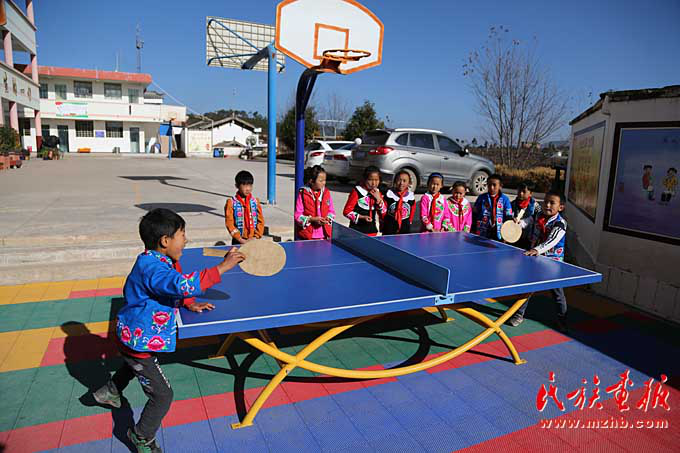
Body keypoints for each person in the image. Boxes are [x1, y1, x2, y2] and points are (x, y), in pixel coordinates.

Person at [93, 208, 245, 453]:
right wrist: (222, 267)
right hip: (138, 341)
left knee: (135, 363)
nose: (186, 240)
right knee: (163, 395)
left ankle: (109, 392)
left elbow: (174, 284)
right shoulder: (153, 269)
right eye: (182, 235)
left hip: (134, 336)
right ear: (165, 241)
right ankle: (141, 436)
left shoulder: (159, 260)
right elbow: (180, 284)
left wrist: (189, 302)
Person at [508, 191, 569, 332]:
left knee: (557, 294)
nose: (547, 205)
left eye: (552, 203)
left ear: (561, 207)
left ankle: (562, 320)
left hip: (552, 263)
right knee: (527, 289)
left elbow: (552, 241)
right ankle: (518, 315)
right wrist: (518, 223)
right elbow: (527, 221)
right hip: (535, 260)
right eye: (546, 201)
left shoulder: (560, 224)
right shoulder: (538, 215)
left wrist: (537, 249)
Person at [343, 166, 386, 236]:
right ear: (364, 179)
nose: (373, 183)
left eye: (376, 180)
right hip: (356, 231)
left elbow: (383, 213)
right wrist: (362, 217)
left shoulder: (377, 193)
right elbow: (346, 212)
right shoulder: (357, 191)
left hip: (372, 232)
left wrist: (379, 199)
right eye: (370, 180)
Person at [295, 165, 336, 240]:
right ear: (311, 181)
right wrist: (312, 219)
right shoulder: (303, 194)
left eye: (325, 180)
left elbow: (331, 211)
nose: (324, 183)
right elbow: (298, 215)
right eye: (321, 181)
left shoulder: (326, 193)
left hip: (324, 234)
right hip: (308, 235)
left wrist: (327, 218)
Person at [224, 170, 265, 245]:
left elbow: (261, 221)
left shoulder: (255, 202)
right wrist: (240, 239)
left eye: (250, 185)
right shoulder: (231, 203)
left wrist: (256, 237)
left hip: (253, 240)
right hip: (238, 240)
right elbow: (229, 223)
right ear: (237, 186)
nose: (248, 189)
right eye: (244, 185)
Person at [472, 173, 513, 241]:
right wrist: (473, 228)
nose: (491, 187)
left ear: (500, 186)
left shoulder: (505, 199)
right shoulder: (481, 198)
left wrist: (506, 234)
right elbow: (475, 213)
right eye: (489, 185)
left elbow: (508, 216)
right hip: (483, 229)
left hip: (499, 230)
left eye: (494, 185)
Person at [381, 170, 416, 235]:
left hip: (404, 228)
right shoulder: (389, 195)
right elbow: (383, 210)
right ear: (395, 181)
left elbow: (412, 210)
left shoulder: (410, 197)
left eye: (404, 181)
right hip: (389, 227)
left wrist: (410, 221)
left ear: (409, 183)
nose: (401, 183)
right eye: (399, 180)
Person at [511, 181, 542, 249]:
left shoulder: (536, 207)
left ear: (530, 193)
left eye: (524, 191)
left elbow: (538, 222)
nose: (521, 193)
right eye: (519, 191)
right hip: (514, 237)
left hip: (529, 239)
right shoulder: (512, 204)